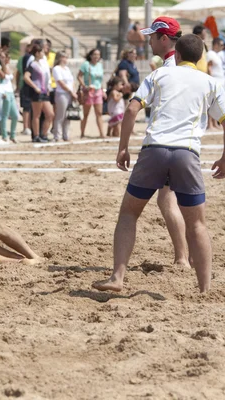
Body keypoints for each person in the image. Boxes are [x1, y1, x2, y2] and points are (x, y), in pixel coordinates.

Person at [93, 34, 225, 294]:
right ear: (200, 58)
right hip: (187, 152)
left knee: (129, 213)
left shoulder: (158, 76)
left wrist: (122, 148)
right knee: (197, 224)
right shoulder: (210, 82)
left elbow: (131, 110)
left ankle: (118, 277)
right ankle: (204, 289)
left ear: (175, 55)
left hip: (153, 149)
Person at [140, 16, 189, 268]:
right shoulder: (180, 63)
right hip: (184, 141)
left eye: (152, 36)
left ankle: (182, 257)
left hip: (168, 140)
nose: (148, 41)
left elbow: (136, 107)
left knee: (167, 201)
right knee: (179, 202)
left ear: (164, 38)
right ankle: (184, 256)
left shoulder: (168, 68)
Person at [24, 44, 53, 142]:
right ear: (37, 53)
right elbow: (26, 77)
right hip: (37, 92)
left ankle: (43, 134)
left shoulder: (41, 63)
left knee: (50, 114)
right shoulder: (33, 64)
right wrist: (35, 87)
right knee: (36, 115)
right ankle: (36, 135)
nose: (43, 53)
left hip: (44, 92)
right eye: (41, 52)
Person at [78, 48, 105, 138]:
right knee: (86, 114)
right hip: (89, 91)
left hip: (98, 91)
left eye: (98, 54)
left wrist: (102, 89)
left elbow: (100, 80)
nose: (96, 56)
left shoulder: (100, 65)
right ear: (90, 55)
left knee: (99, 113)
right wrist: (84, 86)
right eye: (95, 54)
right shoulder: (86, 64)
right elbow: (79, 76)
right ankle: (82, 133)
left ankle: (102, 133)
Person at [51, 51, 77, 142]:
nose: (65, 59)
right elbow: (60, 82)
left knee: (68, 115)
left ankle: (66, 134)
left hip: (70, 93)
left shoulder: (66, 69)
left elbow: (72, 81)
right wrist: (70, 91)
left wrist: (74, 91)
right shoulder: (57, 69)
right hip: (62, 93)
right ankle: (57, 135)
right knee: (60, 115)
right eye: (64, 57)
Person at [0, 51, 19, 143]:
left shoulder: (8, 67)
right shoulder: (0, 68)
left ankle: (12, 135)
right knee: (5, 115)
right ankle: (4, 135)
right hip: (5, 92)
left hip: (10, 91)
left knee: (15, 115)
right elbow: (1, 79)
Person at [17, 37, 33, 137]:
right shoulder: (24, 58)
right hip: (25, 85)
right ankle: (26, 127)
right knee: (26, 107)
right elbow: (19, 72)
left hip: (28, 85)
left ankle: (29, 126)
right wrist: (18, 85)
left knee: (30, 107)